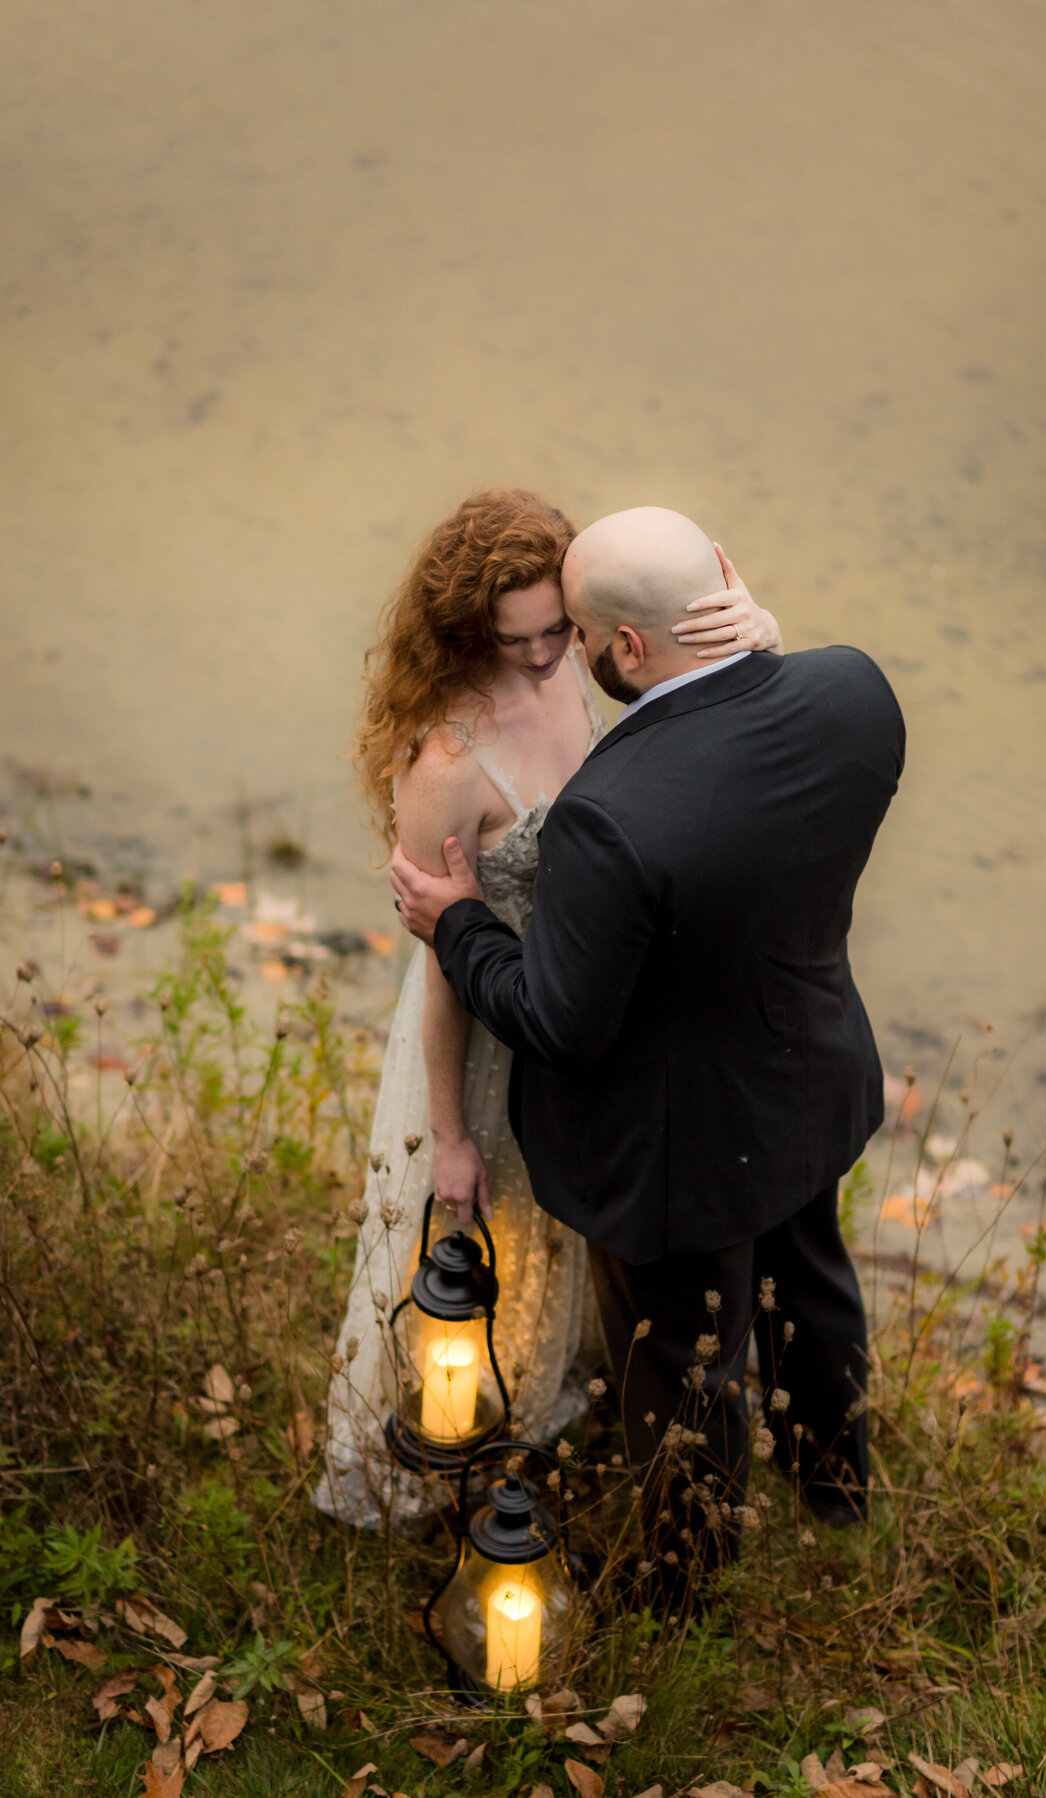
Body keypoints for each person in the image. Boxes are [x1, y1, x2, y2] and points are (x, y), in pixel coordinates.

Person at [390, 506, 905, 1569]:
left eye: (576, 633)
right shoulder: (855, 691)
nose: (563, 654)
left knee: (685, 1362)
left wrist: (459, 922)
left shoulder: (612, 811)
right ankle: (836, 1486)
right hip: (809, 1079)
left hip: (683, 1144)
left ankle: (680, 1577)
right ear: (723, 582)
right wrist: (762, 629)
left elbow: (556, 1024)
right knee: (811, 1283)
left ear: (625, 647)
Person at [316, 489, 780, 1528]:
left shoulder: (579, 657)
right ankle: (446, 1455)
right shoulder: (443, 760)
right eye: (515, 639)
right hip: (484, 1035)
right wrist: (448, 1134)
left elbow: (683, 711)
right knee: (485, 1233)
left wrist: (760, 637)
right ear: (468, 630)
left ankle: (541, 1407)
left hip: (584, 1009)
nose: (543, 658)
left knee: (566, 1232)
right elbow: (442, 963)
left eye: (557, 632)